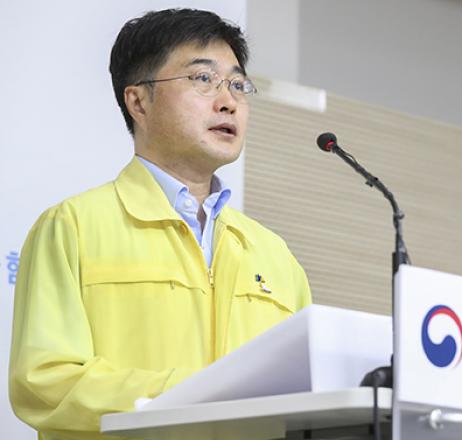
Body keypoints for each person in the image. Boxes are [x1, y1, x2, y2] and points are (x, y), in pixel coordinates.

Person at [9, 9, 311, 440]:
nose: (228, 101)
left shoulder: (275, 255)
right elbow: (44, 384)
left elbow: (304, 394)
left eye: (237, 85)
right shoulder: (72, 227)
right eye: (203, 79)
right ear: (139, 101)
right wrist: (189, 394)